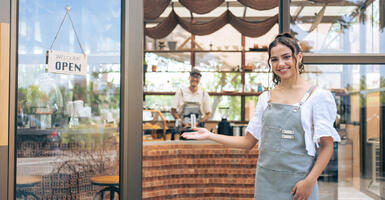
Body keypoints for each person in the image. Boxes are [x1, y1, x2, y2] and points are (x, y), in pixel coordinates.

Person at [182, 33, 340, 200]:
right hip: (266, 182)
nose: (281, 64)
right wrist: (210, 135)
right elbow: (247, 142)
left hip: (299, 184)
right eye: (274, 59)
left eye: (286, 57)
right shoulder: (265, 98)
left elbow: (326, 146)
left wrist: (310, 181)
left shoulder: (318, 97)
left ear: (298, 57)